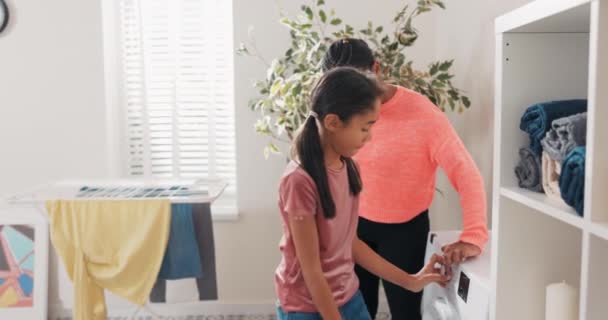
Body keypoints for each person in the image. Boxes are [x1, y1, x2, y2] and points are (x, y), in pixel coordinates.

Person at [322, 38, 489, 320]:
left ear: (376, 68)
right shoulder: (337, 114)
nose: (349, 98)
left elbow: (466, 172)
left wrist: (473, 235)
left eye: (355, 84)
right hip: (351, 226)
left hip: (404, 232)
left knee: (407, 314)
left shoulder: (422, 114)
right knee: (354, 312)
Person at [275, 67, 450, 320]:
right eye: (365, 128)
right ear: (333, 122)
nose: (368, 138)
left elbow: (351, 244)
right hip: (306, 307)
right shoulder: (299, 181)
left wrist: (411, 281)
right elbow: (311, 269)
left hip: (348, 296)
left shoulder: (348, 168)